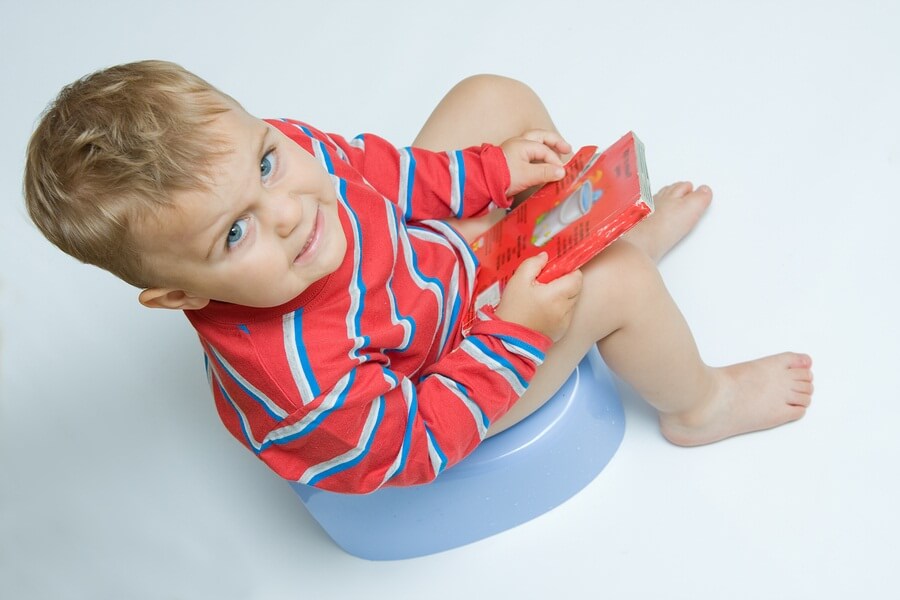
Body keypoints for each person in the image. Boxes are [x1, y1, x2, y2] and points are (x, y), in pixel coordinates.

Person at [24, 61, 813, 494]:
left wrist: (487, 172)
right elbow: (417, 440)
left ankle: (589, 226)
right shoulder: (302, 379)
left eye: (267, 162)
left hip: (418, 273)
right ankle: (699, 402)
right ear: (182, 296)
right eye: (235, 233)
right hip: (441, 381)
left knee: (492, 97)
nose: (291, 212)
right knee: (622, 284)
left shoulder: (283, 168)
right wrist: (519, 330)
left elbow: (377, 173)